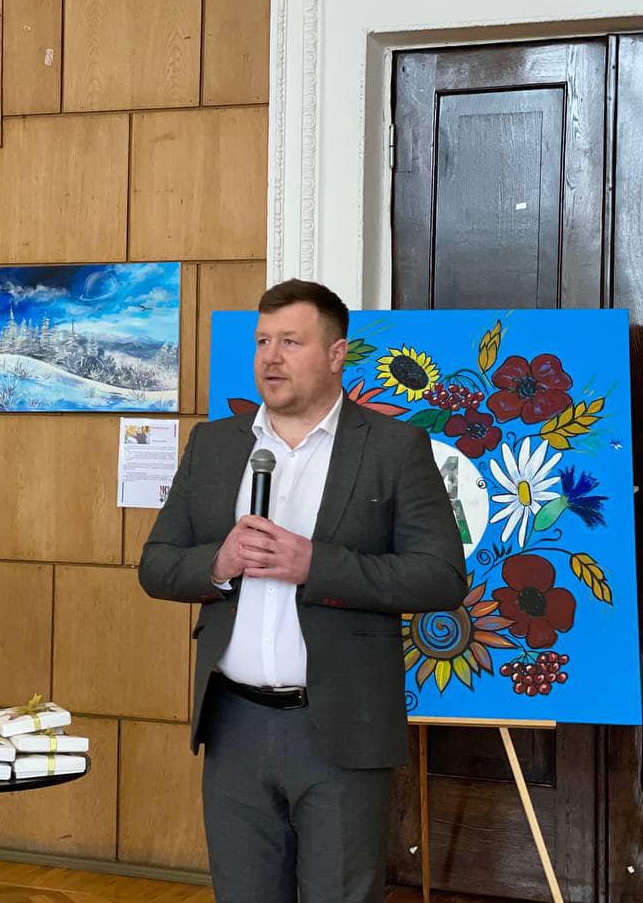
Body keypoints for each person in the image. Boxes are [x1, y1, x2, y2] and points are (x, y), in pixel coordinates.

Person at [139, 279, 467, 903]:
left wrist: (316, 565)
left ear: (337, 354)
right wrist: (219, 562)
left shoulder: (394, 447)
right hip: (234, 726)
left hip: (340, 728)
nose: (270, 357)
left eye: (290, 341)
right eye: (262, 341)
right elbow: (156, 565)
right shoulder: (214, 445)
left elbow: (441, 576)